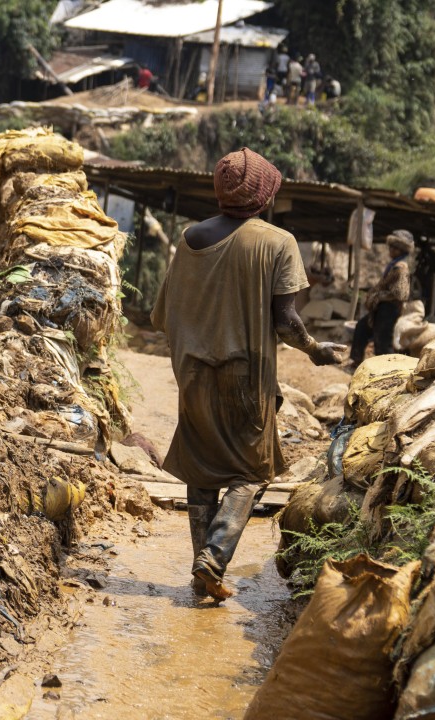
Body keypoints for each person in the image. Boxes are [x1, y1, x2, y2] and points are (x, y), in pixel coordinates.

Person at [151, 148, 345, 601]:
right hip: (245, 375)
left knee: (200, 470)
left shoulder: (188, 238)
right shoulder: (277, 242)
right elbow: (286, 321)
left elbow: (166, 314)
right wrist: (315, 350)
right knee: (251, 471)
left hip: (192, 371)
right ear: (264, 194)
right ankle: (214, 558)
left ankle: (203, 569)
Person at [349, 230, 414, 367]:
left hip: (389, 309)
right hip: (382, 308)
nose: (390, 250)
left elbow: (400, 294)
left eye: (393, 247)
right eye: (390, 246)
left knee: (382, 341)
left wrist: (379, 296)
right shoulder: (393, 265)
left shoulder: (400, 267)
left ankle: (386, 369)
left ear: (400, 250)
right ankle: (356, 361)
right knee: (362, 327)